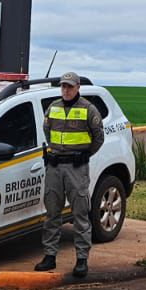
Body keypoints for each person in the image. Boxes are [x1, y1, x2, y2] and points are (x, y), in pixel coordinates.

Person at [35, 72, 103, 277]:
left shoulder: (88, 109)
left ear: (78, 87)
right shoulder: (53, 107)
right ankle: (50, 256)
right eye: (63, 86)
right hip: (55, 167)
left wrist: (85, 155)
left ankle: (82, 259)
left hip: (76, 167)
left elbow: (98, 137)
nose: (66, 90)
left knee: (80, 214)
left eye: (70, 87)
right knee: (52, 214)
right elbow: (47, 132)